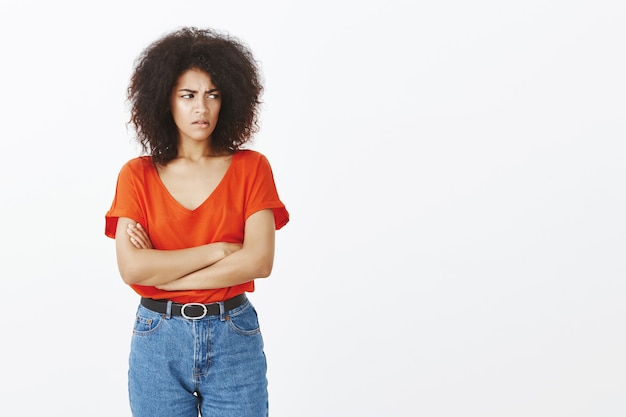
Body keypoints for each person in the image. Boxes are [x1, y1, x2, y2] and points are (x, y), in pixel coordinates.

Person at [104, 27, 289, 417]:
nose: (201, 108)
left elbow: (259, 261)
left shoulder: (251, 168)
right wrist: (218, 251)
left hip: (233, 335)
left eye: (213, 95)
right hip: (158, 340)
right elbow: (133, 267)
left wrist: (167, 279)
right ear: (164, 100)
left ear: (229, 100)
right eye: (188, 95)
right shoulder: (136, 175)